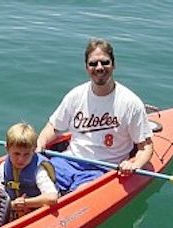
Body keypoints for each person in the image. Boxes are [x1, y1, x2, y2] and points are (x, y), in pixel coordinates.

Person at [37, 37, 153, 193]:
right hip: (69, 161)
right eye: (93, 63)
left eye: (105, 62)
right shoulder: (75, 96)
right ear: (86, 67)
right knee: (33, 172)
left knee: (80, 194)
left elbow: (145, 147)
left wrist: (134, 165)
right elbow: (53, 127)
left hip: (103, 170)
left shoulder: (131, 103)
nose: (99, 68)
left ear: (114, 65)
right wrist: (40, 143)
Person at [0, 123, 58, 224]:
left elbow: (52, 198)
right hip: (15, 209)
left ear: (33, 150)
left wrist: (26, 203)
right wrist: (12, 205)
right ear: (7, 149)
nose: (21, 159)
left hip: (36, 209)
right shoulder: (3, 168)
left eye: (26, 154)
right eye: (16, 154)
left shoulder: (38, 169)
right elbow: (0, 196)